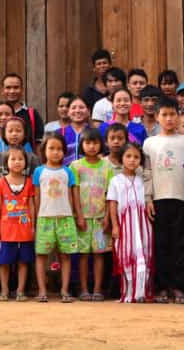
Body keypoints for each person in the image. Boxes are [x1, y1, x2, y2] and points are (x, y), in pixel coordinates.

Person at [143, 96, 184, 304]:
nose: (169, 118)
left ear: (179, 115)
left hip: (181, 198)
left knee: (181, 245)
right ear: (156, 117)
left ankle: (179, 287)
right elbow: (146, 172)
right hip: (159, 199)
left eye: (173, 114)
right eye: (164, 115)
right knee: (161, 245)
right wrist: (148, 198)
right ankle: (162, 287)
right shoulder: (149, 143)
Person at [33, 134, 82, 303]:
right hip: (44, 219)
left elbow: (73, 195)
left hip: (65, 218)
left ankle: (64, 290)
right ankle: (42, 290)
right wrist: (35, 219)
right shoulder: (39, 171)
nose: (55, 152)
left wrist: (78, 215)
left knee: (66, 255)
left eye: (59, 149)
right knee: (41, 255)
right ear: (44, 151)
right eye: (51, 148)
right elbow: (36, 197)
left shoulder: (68, 171)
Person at [70, 127, 114, 301]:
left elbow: (110, 194)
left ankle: (97, 289)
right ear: (81, 145)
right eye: (87, 143)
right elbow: (74, 192)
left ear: (101, 144)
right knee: (83, 254)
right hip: (83, 219)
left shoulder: (107, 166)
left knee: (99, 254)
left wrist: (108, 218)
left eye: (95, 143)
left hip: (100, 218)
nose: (91, 146)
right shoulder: (76, 166)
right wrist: (78, 216)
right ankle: (83, 289)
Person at [108, 142, 153, 303]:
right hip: (125, 225)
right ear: (121, 159)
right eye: (128, 156)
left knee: (144, 254)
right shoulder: (115, 181)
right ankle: (128, 292)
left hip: (142, 224)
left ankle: (141, 292)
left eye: (136, 157)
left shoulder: (144, 180)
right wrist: (114, 225)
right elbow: (112, 203)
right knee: (126, 255)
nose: (132, 160)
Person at [0, 145, 36, 302]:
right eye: (13, 159)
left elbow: (31, 205)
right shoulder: (1, 182)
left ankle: (20, 291)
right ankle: (4, 290)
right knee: (4, 262)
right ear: (6, 162)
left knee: (23, 262)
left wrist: (33, 226)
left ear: (26, 162)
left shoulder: (30, 182)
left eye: (20, 159)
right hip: (6, 230)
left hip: (24, 230)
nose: (17, 162)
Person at [0, 73, 43, 145]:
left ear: (22, 90)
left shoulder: (32, 114)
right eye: (8, 87)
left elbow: (38, 143)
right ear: (2, 90)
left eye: (16, 87)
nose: (12, 91)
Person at [57, 95, 92, 163]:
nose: (77, 111)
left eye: (81, 107)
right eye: (73, 108)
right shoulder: (59, 133)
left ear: (88, 111)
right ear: (68, 112)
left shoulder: (95, 133)